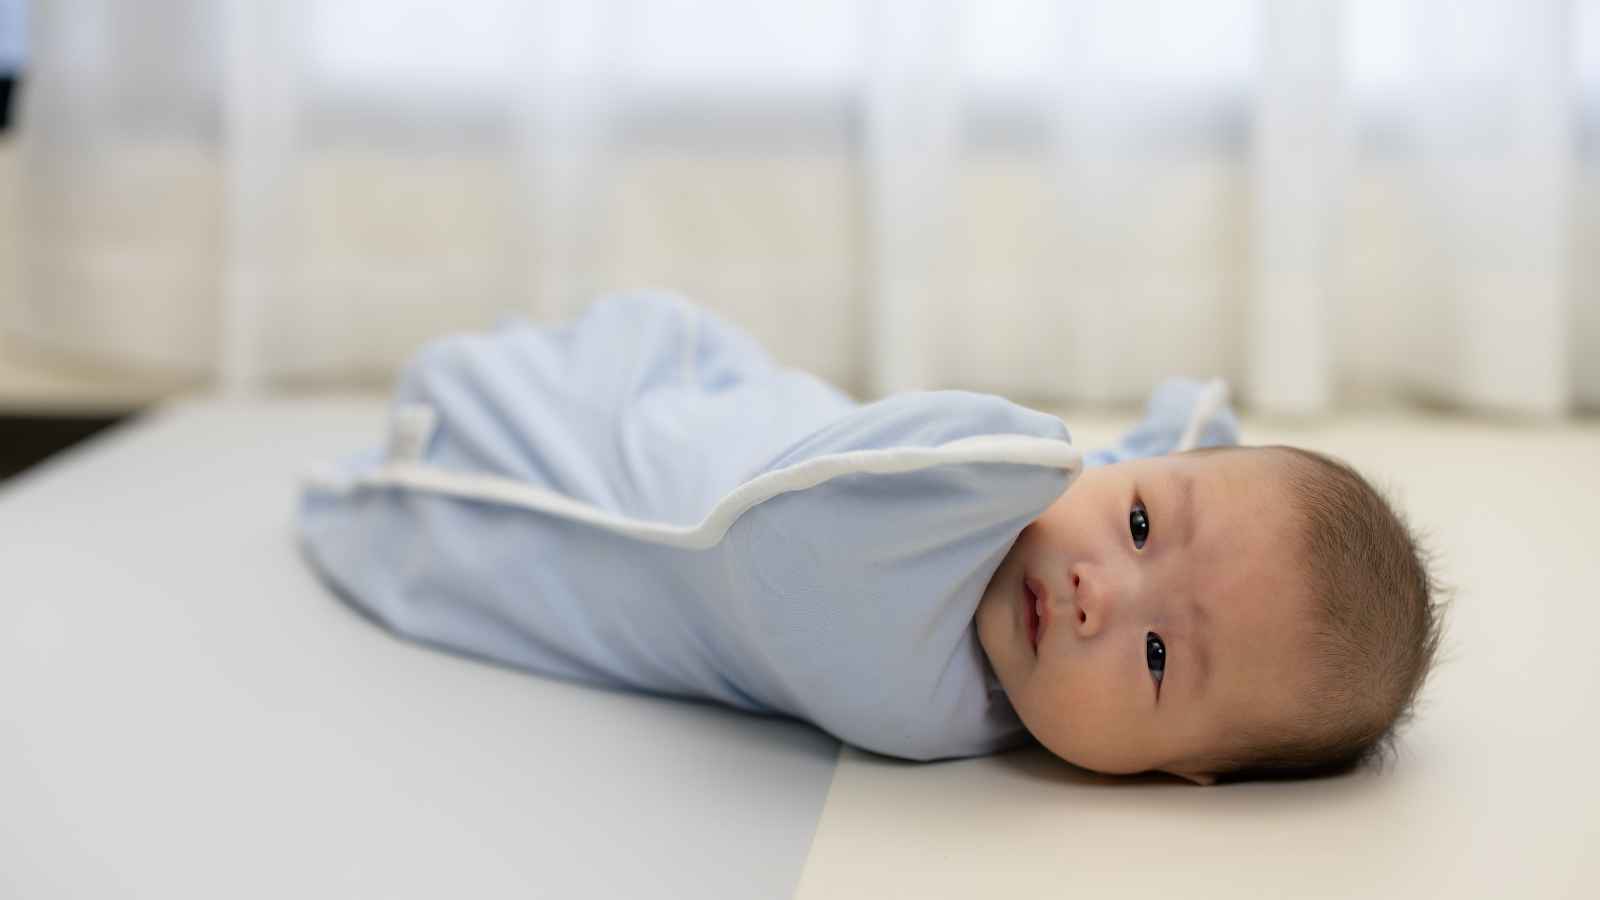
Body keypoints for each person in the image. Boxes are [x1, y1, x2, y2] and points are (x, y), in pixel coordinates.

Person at [298, 291, 1445, 784]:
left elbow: (839, 511)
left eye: (1155, 658)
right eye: (1141, 521)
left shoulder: (918, 695)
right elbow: (1154, 458)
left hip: (543, 487)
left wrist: (1088, 471)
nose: (1099, 593)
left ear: (1177, 771)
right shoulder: (1061, 510)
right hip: (695, 402)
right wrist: (1171, 452)